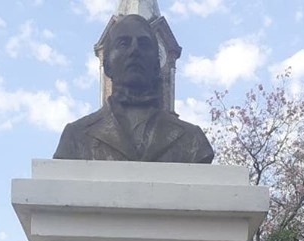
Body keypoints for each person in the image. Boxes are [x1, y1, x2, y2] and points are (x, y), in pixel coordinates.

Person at [53, 15, 213, 164]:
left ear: (157, 65)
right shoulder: (76, 137)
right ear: (107, 65)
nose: (135, 50)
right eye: (123, 43)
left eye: (144, 44)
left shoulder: (192, 140)